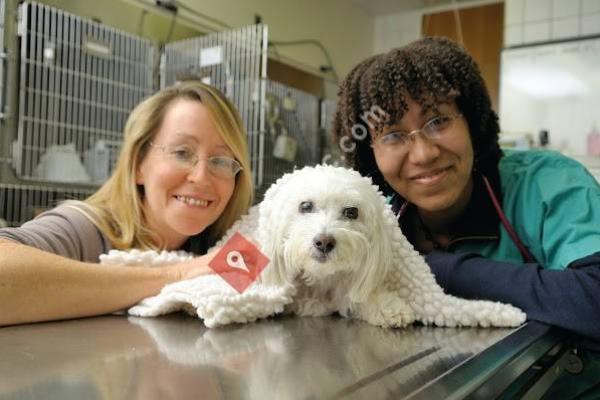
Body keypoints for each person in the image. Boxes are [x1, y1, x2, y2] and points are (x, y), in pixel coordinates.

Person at [332, 37, 600, 398]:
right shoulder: (377, 218)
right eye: (393, 135)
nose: (424, 153)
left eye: (438, 120)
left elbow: (593, 299)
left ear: (472, 122)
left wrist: (435, 268)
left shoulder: (548, 183)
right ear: (371, 155)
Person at [0, 81, 253, 326]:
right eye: (182, 153)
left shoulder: (230, 241)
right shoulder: (87, 229)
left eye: (221, 161)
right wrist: (178, 274)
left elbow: (267, 291)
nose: (200, 177)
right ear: (138, 164)